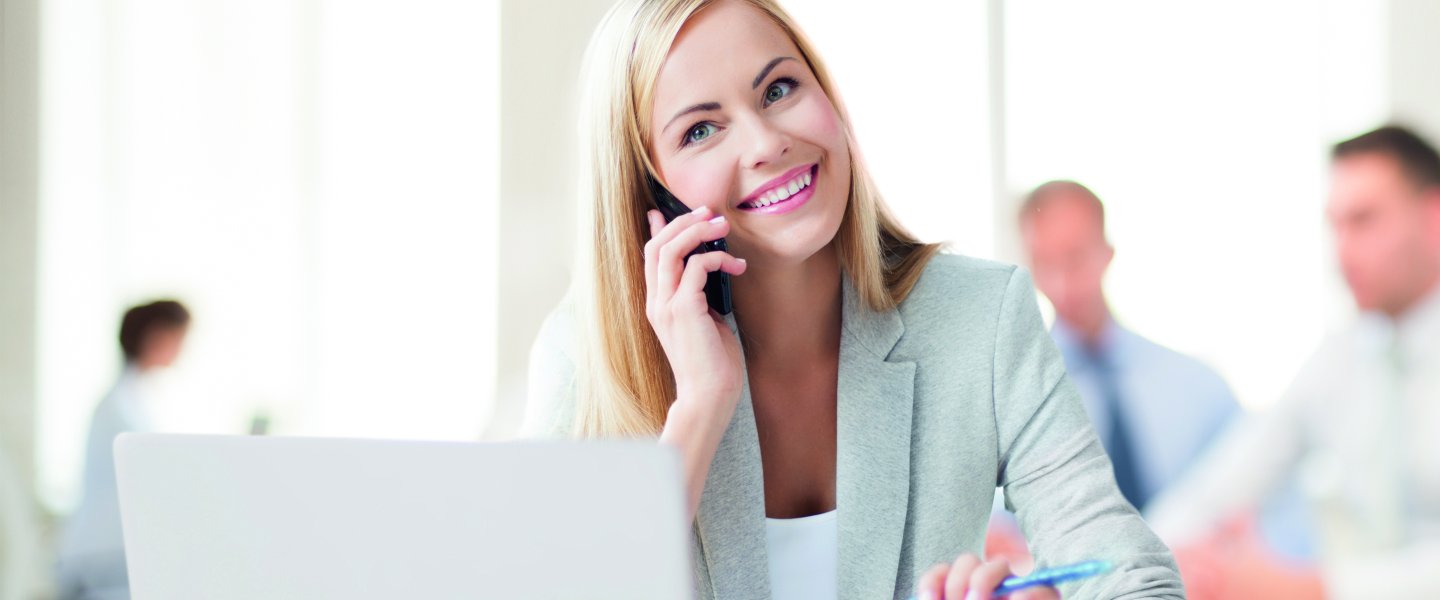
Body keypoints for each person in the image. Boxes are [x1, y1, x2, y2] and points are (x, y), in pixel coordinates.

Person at [524, 1, 1183, 598]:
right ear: (650, 194)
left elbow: (1133, 578)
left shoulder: (980, 317)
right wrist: (697, 410)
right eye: (700, 130)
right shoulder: (585, 360)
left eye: (779, 89)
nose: (766, 142)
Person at [1147, 125, 1440, 598]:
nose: (1342, 253)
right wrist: (1139, 562)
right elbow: (1219, 488)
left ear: (1434, 216)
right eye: (1335, 225)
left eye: (1364, 220)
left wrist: (1312, 589)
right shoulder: (1339, 359)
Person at [56, 300, 190, 600]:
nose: (183, 349)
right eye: (179, 337)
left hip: (110, 557)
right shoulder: (118, 409)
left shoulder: (132, 399)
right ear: (157, 336)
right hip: (100, 563)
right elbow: (156, 478)